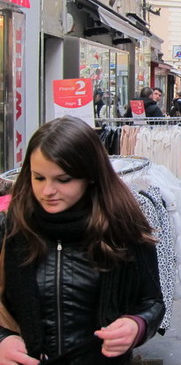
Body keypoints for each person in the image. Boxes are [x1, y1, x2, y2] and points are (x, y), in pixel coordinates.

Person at [0, 116, 164, 364]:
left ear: (90, 175)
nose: (47, 191)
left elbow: (152, 302)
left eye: (63, 179)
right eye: (38, 178)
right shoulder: (11, 228)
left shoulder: (124, 227)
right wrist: (3, 339)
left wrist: (136, 325)